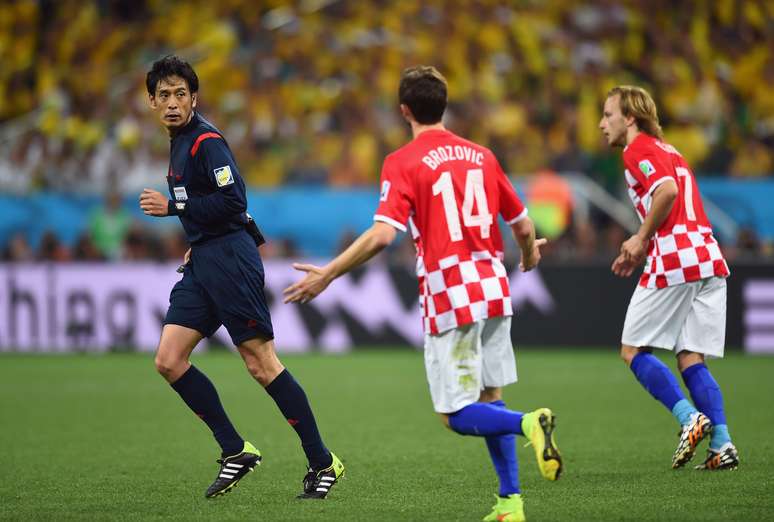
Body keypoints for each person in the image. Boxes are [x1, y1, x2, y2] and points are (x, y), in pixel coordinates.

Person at [284, 66, 561, 522]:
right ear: (444, 105)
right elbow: (525, 225)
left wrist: (329, 273)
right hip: (494, 285)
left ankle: (528, 423)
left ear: (404, 110)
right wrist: (529, 256)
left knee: (454, 414)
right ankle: (510, 504)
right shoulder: (482, 156)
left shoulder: (403, 161)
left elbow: (380, 236)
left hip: (450, 290)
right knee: (491, 394)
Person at [139, 55, 344, 500]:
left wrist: (175, 209)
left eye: (180, 94)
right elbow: (207, 203)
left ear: (194, 97)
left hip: (231, 260)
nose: (172, 103)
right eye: (164, 96)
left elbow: (233, 201)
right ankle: (235, 450)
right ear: (152, 102)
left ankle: (323, 461)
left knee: (260, 363)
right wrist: (196, 233)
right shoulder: (178, 142)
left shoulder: (206, 141)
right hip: (205, 261)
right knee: (169, 360)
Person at [600, 85, 739, 471]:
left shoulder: (638, 149)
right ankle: (722, 443)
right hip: (708, 254)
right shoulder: (670, 150)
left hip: (676, 256)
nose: (601, 124)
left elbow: (667, 190)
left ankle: (688, 418)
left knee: (632, 349)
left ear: (630, 117)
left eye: (608, 115)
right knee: (691, 355)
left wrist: (640, 238)